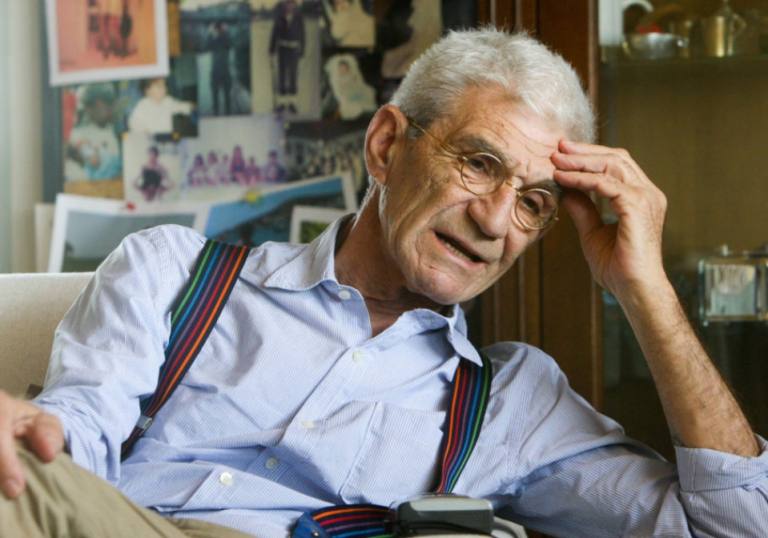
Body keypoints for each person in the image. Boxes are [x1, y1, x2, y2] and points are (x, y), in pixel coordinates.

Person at [1, 29, 767, 538]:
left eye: (533, 204)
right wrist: (28, 436)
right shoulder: (173, 271)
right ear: (387, 146)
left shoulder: (515, 404)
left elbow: (737, 527)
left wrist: (646, 291)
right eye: (480, 164)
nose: (495, 220)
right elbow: (77, 431)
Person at [269, 0, 305, 115]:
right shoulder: (279, 17)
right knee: (282, 76)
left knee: (293, 76)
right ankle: (282, 104)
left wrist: (302, 51)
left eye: (291, 3)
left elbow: (303, 34)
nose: (289, 6)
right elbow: (274, 33)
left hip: (294, 50)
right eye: (287, 3)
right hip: (282, 50)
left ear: (294, 5)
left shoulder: (298, 18)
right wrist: (271, 50)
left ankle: (292, 104)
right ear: (284, 5)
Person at [128, 78, 194, 135]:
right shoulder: (142, 105)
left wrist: (191, 106)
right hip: (150, 137)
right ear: (147, 90)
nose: (164, 89)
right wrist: (144, 132)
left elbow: (180, 106)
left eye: (165, 86)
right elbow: (134, 122)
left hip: (167, 136)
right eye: (159, 87)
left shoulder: (168, 101)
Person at [209, 21, 233, 115]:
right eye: (218, 28)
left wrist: (211, 33)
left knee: (223, 94)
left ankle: (224, 112)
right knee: (219, 94)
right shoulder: (217, 38)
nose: (218, 30)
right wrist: (212, 33)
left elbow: (230, 44)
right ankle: (220, 113)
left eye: (219, 29)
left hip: (220, 70)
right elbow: (205, 46)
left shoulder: (222, 38)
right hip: (220, 70)